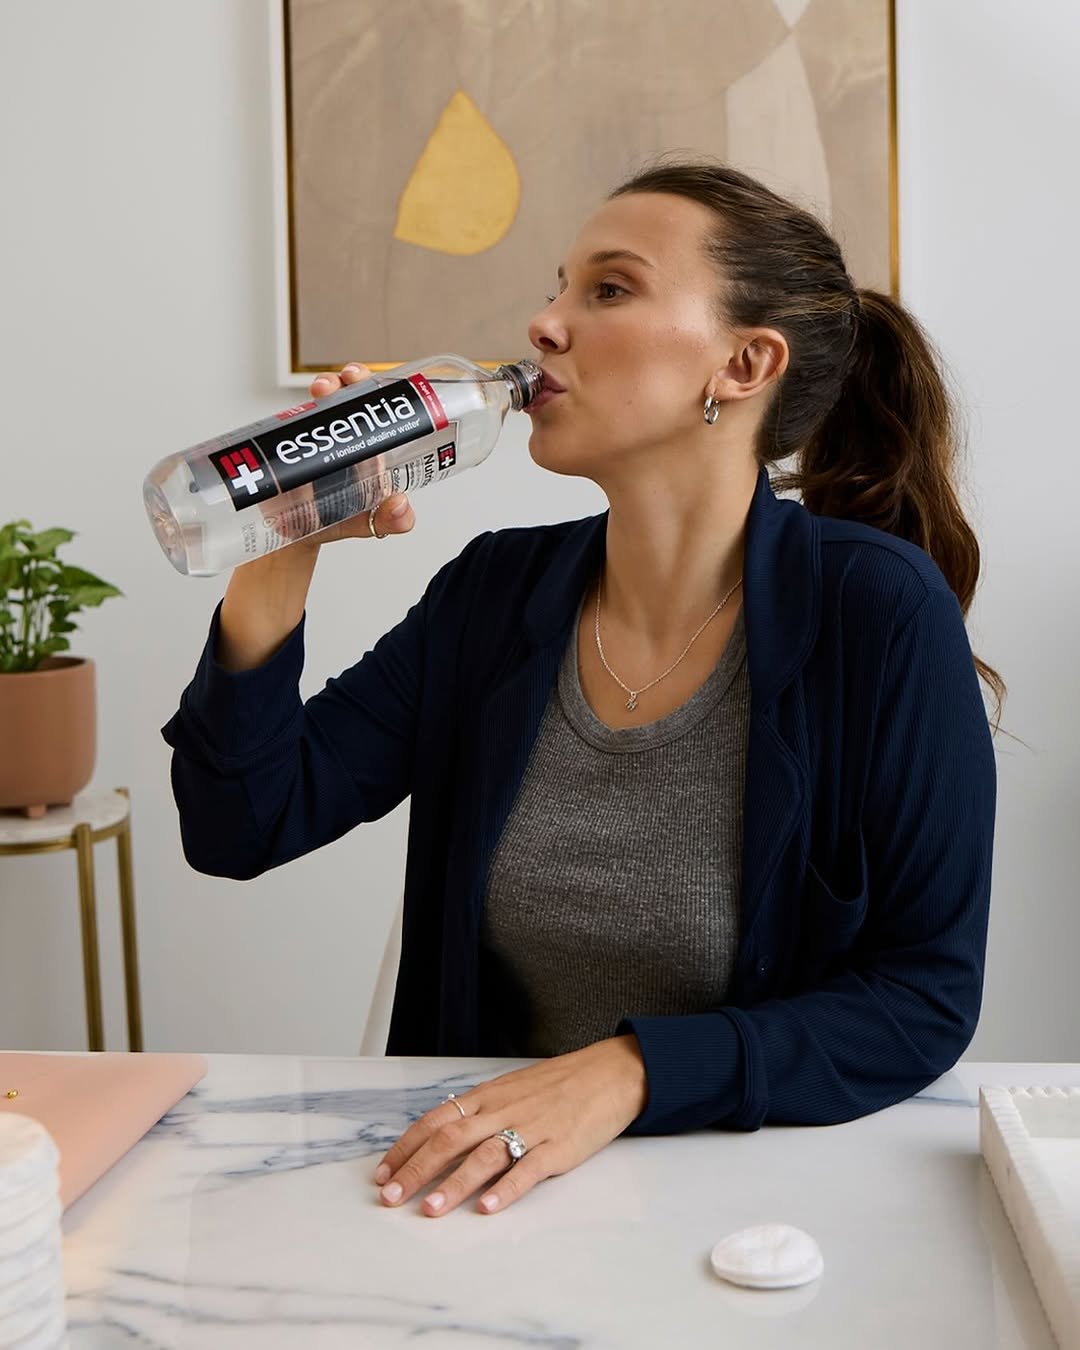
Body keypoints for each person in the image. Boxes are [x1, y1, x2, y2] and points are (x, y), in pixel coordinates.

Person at [161, 156, 1001, 1220]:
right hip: (477, 1204)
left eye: (608, 289)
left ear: (744, 363)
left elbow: (920, 1000)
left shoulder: (874, 610)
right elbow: (241, 824)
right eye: (560, 288)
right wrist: (286, 531)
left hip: (769, 1206)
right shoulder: (493, 594)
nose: (544, 325)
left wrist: (629, 1072)